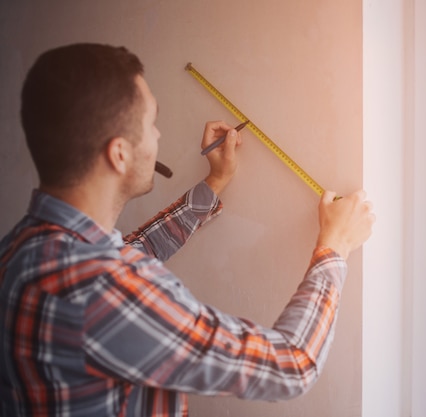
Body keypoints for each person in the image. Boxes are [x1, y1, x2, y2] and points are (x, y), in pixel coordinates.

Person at [0, 43, 374, 417]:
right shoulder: (104, 288)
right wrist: (334, 247)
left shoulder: (21, 250)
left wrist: (213, 184)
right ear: (119, 154)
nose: (159, 136)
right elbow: (291, 365)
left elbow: (131, 250)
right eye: (151, 124)